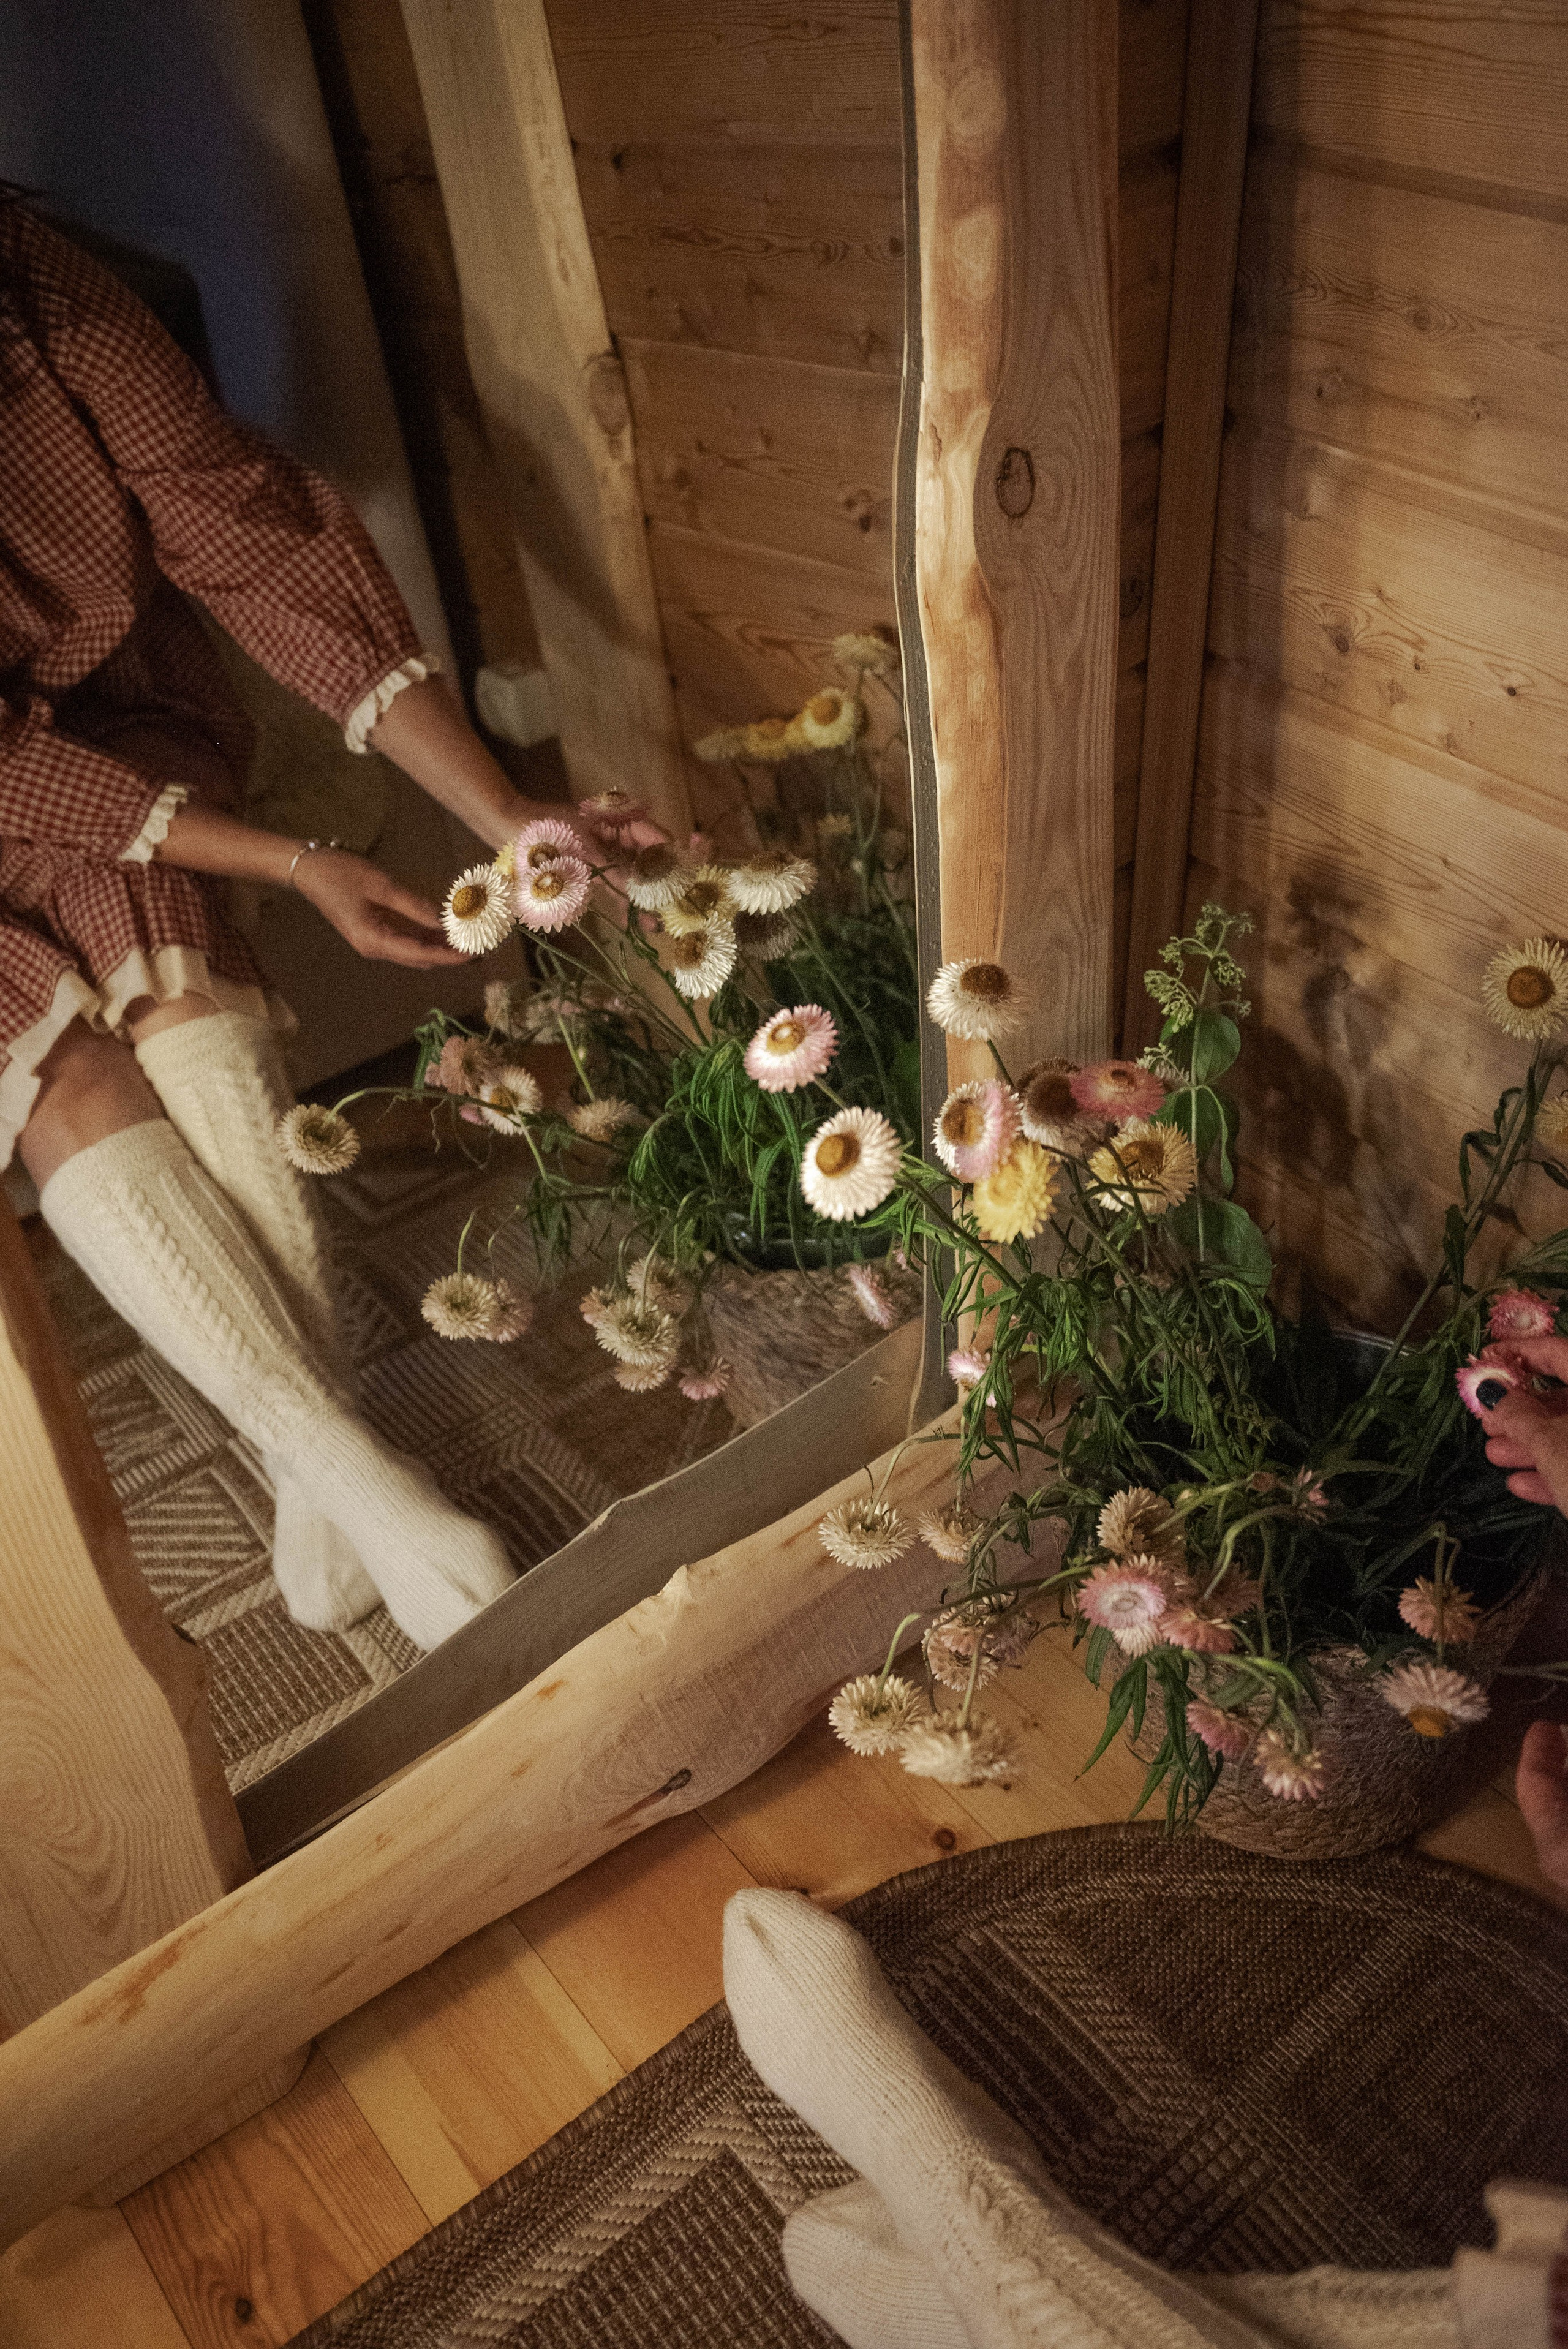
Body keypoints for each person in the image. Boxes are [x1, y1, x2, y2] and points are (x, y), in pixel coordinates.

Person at [0, 193, 606, 1650]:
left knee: (177, 984)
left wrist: (503, 816)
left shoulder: (44, 284)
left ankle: (327, 1486)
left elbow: (259, 540)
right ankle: (367, 1486)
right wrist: (290, 860)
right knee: (58, 1061)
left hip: (111, 721)